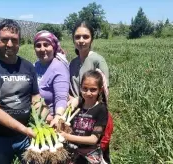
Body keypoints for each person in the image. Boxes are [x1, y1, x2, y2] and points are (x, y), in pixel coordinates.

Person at [0, 19, 42, 164]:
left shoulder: (28, 66)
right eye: (4, 39)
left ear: (19, 41)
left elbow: (35, 98)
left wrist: (47, 118)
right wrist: (25, 130)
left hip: (24, 137)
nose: (9, 44)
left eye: (14, 40)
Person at [67, 20, 112, 164]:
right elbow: (70, 88)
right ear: (73, 39)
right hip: (75, 114)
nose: (81, 40)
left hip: (93, 115)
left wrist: (80, 100)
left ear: (92, 38)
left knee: (95, 154)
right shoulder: (73, 62)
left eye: (85, 37)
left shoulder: (98, 60)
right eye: (77, 37)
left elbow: (104, 92)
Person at [59, 70, 109, 164]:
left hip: (90, 156)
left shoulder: (101, 109)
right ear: (80, 88)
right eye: (84, 88)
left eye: (93, 89)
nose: (88, 93)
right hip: (72, 153)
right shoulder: (77, 106)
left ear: (100, 90)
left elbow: (93, 139)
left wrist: (67, 136)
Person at [33, 30, 70, 127]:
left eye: (46, 45)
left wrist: (58, 116)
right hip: (36, 119)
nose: (42, 49)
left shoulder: (58, 67)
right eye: (38, 45)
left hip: (51, 122)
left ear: (53, 47)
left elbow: (61, 97)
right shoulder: (35, 66)